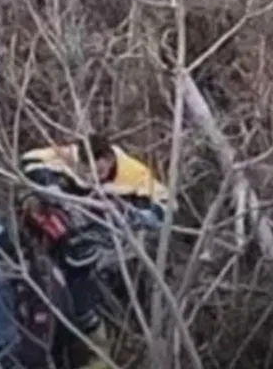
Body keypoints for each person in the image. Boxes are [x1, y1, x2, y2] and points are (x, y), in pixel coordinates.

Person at [18, 133, 171, 369]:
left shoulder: (133, 174)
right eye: (86, 170)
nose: (92, 177)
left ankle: (96, 344)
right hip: (71, 227)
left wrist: (132, 215)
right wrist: (52, 191)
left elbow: (166, 207)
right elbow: (29, 160)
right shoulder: (68, 157)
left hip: (113, 238)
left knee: (82, 285)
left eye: (97, 171)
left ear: (109, 159)